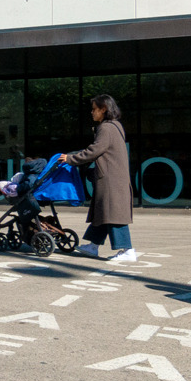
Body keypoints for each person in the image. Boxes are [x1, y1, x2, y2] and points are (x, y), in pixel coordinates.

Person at [56, 93, 135, 261]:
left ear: (103, 109)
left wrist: (70, 159)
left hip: (111, 180)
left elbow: (94, 151)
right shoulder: (115, 126)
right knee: (103, 212)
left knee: (113, 213)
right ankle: (93, 246)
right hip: (112, 177)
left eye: (94, 109)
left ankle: (127, 250)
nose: (92, 113)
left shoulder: (106, 128)